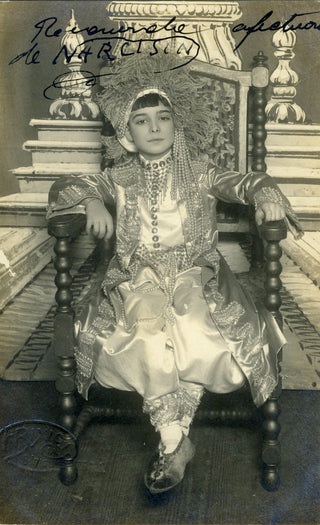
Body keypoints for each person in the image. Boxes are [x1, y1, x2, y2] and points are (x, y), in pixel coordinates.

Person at [47, 53, 302, 494]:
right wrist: (90, 203)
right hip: (135, 279)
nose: (155, 127)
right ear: (127, 137)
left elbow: (246, 182)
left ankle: (171, 442)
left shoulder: (199, 173)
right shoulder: (118, 178)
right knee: (145, 333)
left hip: (195, 275)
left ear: (176, 125)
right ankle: (174, 442)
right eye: (142, 121)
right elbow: (67, 186)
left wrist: (266, 194)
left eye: (163, 117)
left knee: (194, 328)